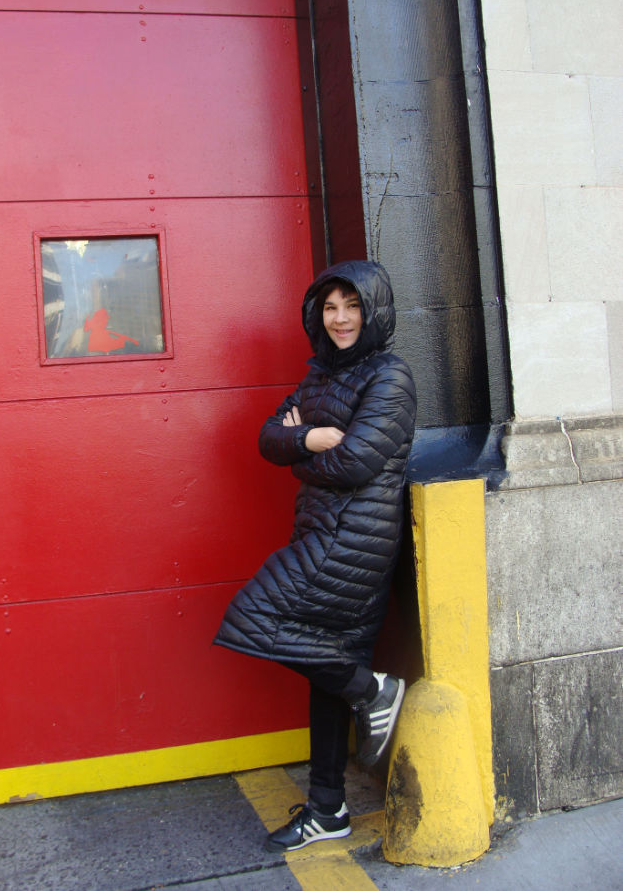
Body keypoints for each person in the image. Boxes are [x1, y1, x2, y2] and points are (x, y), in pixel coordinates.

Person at [214, 259, 416, 852]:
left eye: (352, 306)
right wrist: (306, 436)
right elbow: (267, 436)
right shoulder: (320, 375)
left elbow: (355, 462)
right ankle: (328, 809)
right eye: (330, 307)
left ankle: (371, 690)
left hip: (351, 540)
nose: (341, 318)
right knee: (326, 662)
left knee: (253, 617)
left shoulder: (391, 375)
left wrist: (302, 449)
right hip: (323, 532)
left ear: (373, 310)